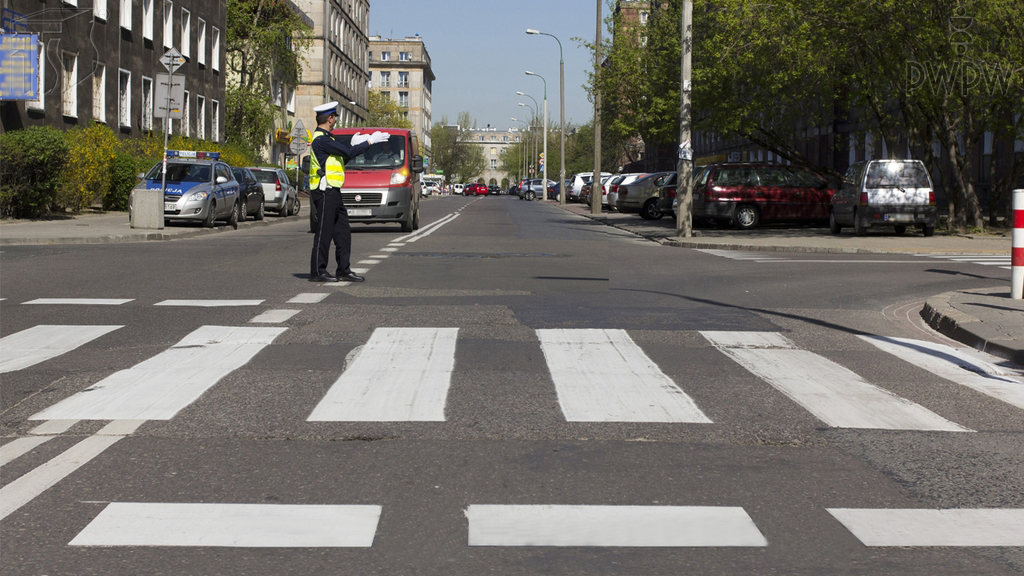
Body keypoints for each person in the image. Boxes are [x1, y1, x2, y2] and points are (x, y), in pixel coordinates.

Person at [308, 101, 389, 283]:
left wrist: (354, 144)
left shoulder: (328, 140)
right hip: (324, 190)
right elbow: (347, 152)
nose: (335, 120)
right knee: (324, 232)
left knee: (343, 232)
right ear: (330, 119)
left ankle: (343, 269)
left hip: (334, 191)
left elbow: (342, 157)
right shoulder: (321, 140)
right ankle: (317, 271)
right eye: (335, 117)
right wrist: (369, 142)